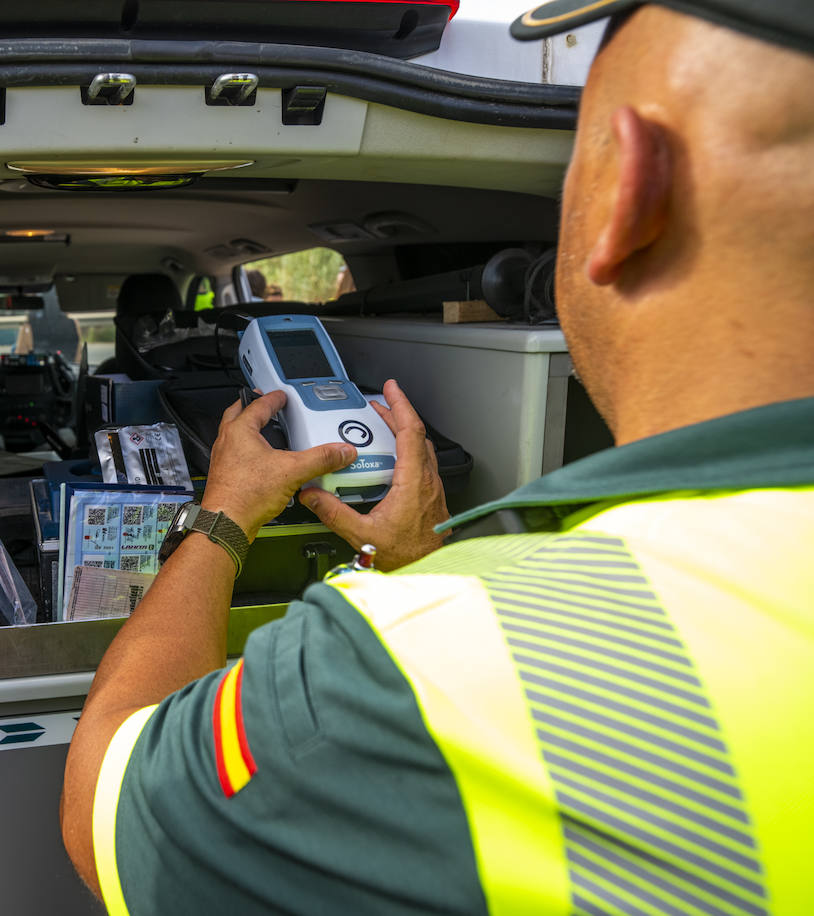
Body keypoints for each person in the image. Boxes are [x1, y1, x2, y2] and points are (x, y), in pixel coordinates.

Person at [61, 3, 814, 914]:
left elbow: (102, 802)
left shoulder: (418, 664)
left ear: (629, 187)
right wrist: (415, 567)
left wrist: (223, 517)